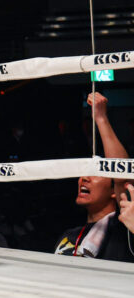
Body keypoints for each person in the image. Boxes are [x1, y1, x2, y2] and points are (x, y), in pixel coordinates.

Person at [53, 92, 134, 261]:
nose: (84, 178)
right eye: (84, 172)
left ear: (114, 191)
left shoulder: (124, 230)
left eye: (96, 174)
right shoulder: (68, 235)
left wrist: (101, 118)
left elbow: (121, 174)